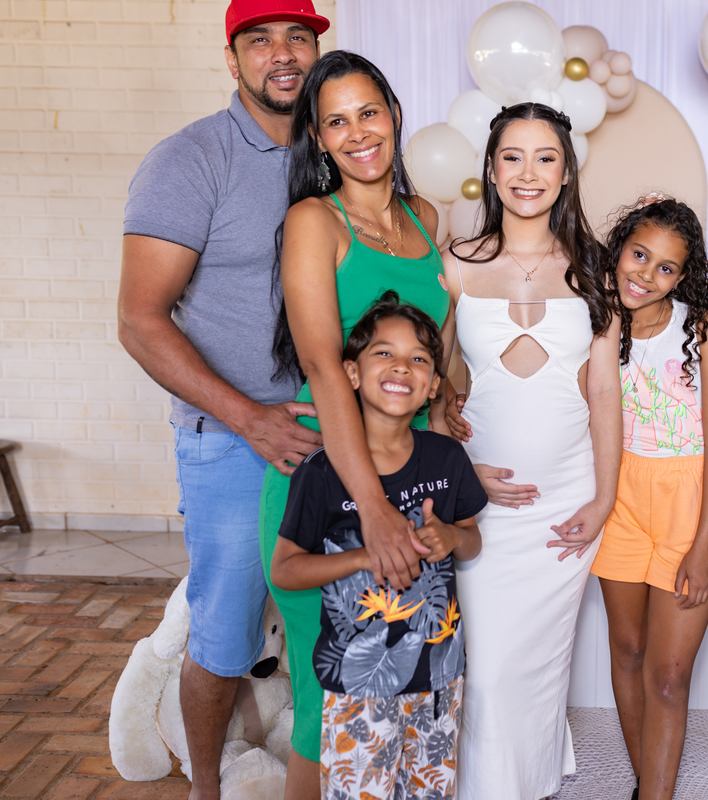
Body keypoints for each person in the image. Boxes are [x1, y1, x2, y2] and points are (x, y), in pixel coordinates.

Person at [117, 2, 327, 797]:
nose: (283, 54)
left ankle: (310, 770)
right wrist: (251, 419)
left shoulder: (337, 150)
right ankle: (206, 787)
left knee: (326, 622)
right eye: (260, 40)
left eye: (298, 36)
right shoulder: (191, 159)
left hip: (334, 431)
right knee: (227, 632)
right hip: (234, 439)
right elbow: (139, 320)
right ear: (232, 58)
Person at [260, 50, 449, 798]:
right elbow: (321, 365)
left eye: (368, 112)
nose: (358, 133)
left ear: (394, 115)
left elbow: (434, 350)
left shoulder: (425, 217)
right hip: (336, 488)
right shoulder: (315, 221)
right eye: (336, 122)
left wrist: (451, 401)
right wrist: (372, 507)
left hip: (413, 480)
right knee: (328, 708)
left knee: (398, 696)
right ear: (317, 137)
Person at [442, 102, 622, 800]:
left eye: (546, 157)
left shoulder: (596, 268)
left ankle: (533, 782)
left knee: (543, 661)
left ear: (566, 172)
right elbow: (429, 384)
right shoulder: (455, 264)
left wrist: (603, 498)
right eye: (512, 157)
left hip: (565, 498)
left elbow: (604, 392)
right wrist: (461, 473)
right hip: (481, 505)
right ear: (490, 170)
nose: (528, 172)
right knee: (487, 665)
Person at [270, 293, 486, 800]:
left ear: (434, 385)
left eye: (419, 359)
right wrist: (366, 556)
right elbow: (285, 569)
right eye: (384, 353)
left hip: (439, 676)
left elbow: (471, 540)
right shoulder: (322, 472)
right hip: (356, 685)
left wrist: (451, 537)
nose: (401, 367)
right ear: (351, 372)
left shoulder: (447, 458)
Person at [590, 197, 708, 800]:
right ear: (619, 249)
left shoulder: (704, 329)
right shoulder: (594, 319)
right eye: (639, 255)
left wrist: (703, 546)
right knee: (627, 649)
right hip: (619, 497)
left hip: (686, 503)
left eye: (666, 267)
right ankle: (646, 784)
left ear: (684, 276)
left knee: (670, 677)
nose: (646, 274)